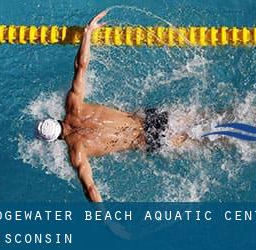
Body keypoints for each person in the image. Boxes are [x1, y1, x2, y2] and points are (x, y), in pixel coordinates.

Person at [36, 11, 188, 202]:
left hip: (149, 140)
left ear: (54, 140)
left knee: (206, 141)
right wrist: (87, 33)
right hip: (150, 118)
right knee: (204, 118)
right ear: (54, 119)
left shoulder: (77, 152)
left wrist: (107, 221)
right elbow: (81, 66)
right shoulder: (73, 105)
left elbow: (90, 189)